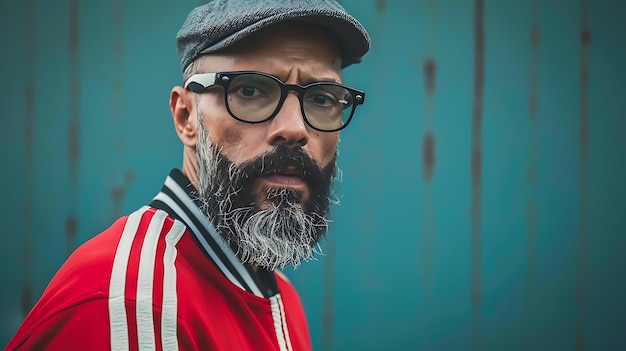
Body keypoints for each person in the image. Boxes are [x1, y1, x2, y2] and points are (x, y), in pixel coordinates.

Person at [6, 0, 369, 350]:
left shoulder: (279, 297)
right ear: (185, 117)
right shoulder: (133, 304)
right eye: (249, 90)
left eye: (322, 98)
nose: (294, 129)